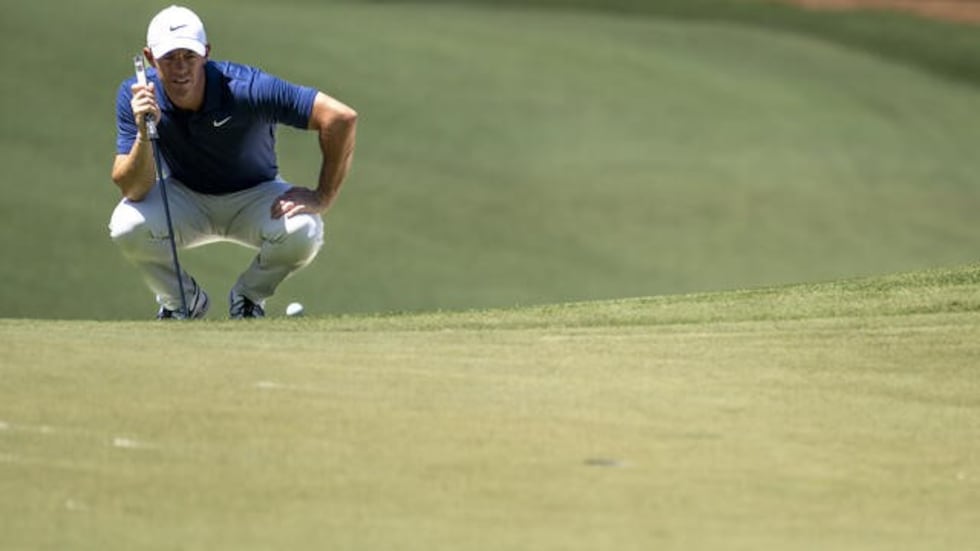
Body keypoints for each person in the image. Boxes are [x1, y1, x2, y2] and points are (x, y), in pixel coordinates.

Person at [109, 5, 357, 319]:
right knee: (126, 225)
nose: (181, 68)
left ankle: (249, 298)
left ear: (206, 54)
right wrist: (145, 131)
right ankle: (182, 303)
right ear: (149, 58)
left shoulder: (246, 88)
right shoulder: (136, 97)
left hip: (254, 196)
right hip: (186, 198)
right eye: (170, 58)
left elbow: (340, 117)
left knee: (305, 229)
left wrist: (324, 196)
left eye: (189, 56)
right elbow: (132, 188)